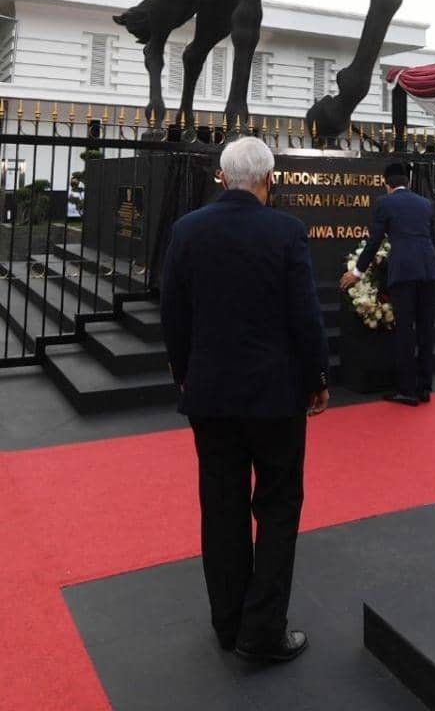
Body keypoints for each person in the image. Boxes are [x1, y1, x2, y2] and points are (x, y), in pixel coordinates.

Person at [159, 136, 329, 663]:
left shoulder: (188, 230)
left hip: (210, 394)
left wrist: (185, 372)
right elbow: (305, 314)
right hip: (276, 395)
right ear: (268, 179)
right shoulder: (286, 231)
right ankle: (262, 630)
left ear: (222, 178)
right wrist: (316, 376)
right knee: (277, 508)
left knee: (222, 507)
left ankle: (228, 624)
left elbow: (173, 312)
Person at [340, 160, 435, 406]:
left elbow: (375, 241)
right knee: (426, 330)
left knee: (405, 330)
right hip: (429, 270)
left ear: (387, 184)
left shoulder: (384, 204)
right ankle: (424, 387)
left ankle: (407, 390)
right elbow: (433, 241)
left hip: (404, 272)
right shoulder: (426, 204)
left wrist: (357, 272)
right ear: (407, 183)